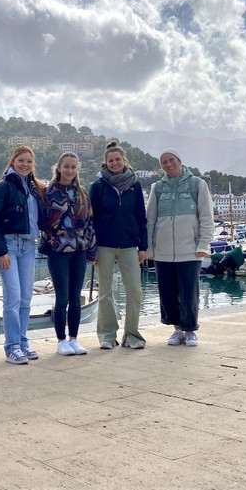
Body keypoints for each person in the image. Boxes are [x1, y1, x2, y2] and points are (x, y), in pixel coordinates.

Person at [146, 149, 214, 347]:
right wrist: (150, 248)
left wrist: (203, 244)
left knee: (189, 291)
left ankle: (191, 329)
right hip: (163, 252)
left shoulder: (197, 184)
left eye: (171, 160)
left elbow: (206, 217)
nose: (168, 164)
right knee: (167, 292)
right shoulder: (157, 188)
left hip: (190, 250)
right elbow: (150, 220)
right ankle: (177, 329)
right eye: (164, 162)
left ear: (179, 161)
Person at [0, 145, 45, 364]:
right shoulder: (3, 187)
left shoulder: (33, 188)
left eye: (29, 161)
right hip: (10, 245)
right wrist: (0, 251)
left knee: (26, 298)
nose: (25, 164)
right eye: (21, 160)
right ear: (13, 162)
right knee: (13, 298)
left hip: (29, 245)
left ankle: (22, 341)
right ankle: (11, 346)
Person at [89, 141, 147, 349]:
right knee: (105, 292)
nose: (114, 163)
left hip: (130, 245)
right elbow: (91, 220)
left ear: (124, 161)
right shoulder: (97, 187)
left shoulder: (135, 185)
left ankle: (132, 335)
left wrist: (143, 246)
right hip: (104, 245)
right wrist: (91, 248)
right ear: (106, 163)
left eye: (118, 159)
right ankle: (106, 335)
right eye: (110, 160)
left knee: (134, 291)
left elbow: (141, 216)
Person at [44, 152, 97, 356]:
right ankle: (60, 340)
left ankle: (74, 338)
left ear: (77, 169)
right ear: (58, 168)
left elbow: (90, 223)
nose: (69, 170)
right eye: (66, 166)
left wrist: (91, 250)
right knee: (62, 297)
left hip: (79, 251)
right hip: (58, 251)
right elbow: (43, 221)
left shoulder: (82, 193)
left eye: (73, 167)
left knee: (76, 298)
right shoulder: (49, 192)